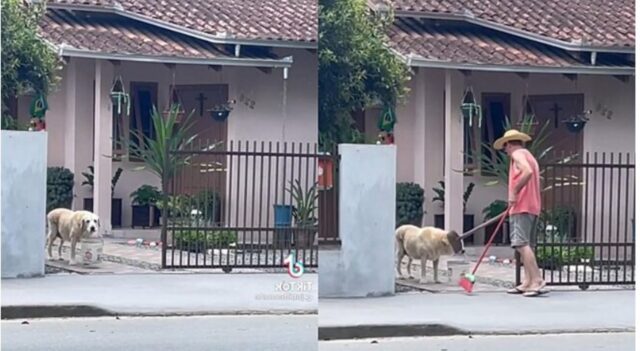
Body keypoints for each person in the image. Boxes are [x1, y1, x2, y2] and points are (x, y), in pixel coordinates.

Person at [493, 129, 547, 297]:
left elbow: (527, 172)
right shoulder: (530, 156)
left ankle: (537, 280)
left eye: (505, 148)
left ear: (509, 144)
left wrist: (514, 191)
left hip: (521, 206)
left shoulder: (518, 155)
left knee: (520, 243)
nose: (506, 151)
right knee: (526, 245)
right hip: (532, 206)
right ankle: (527, 282)